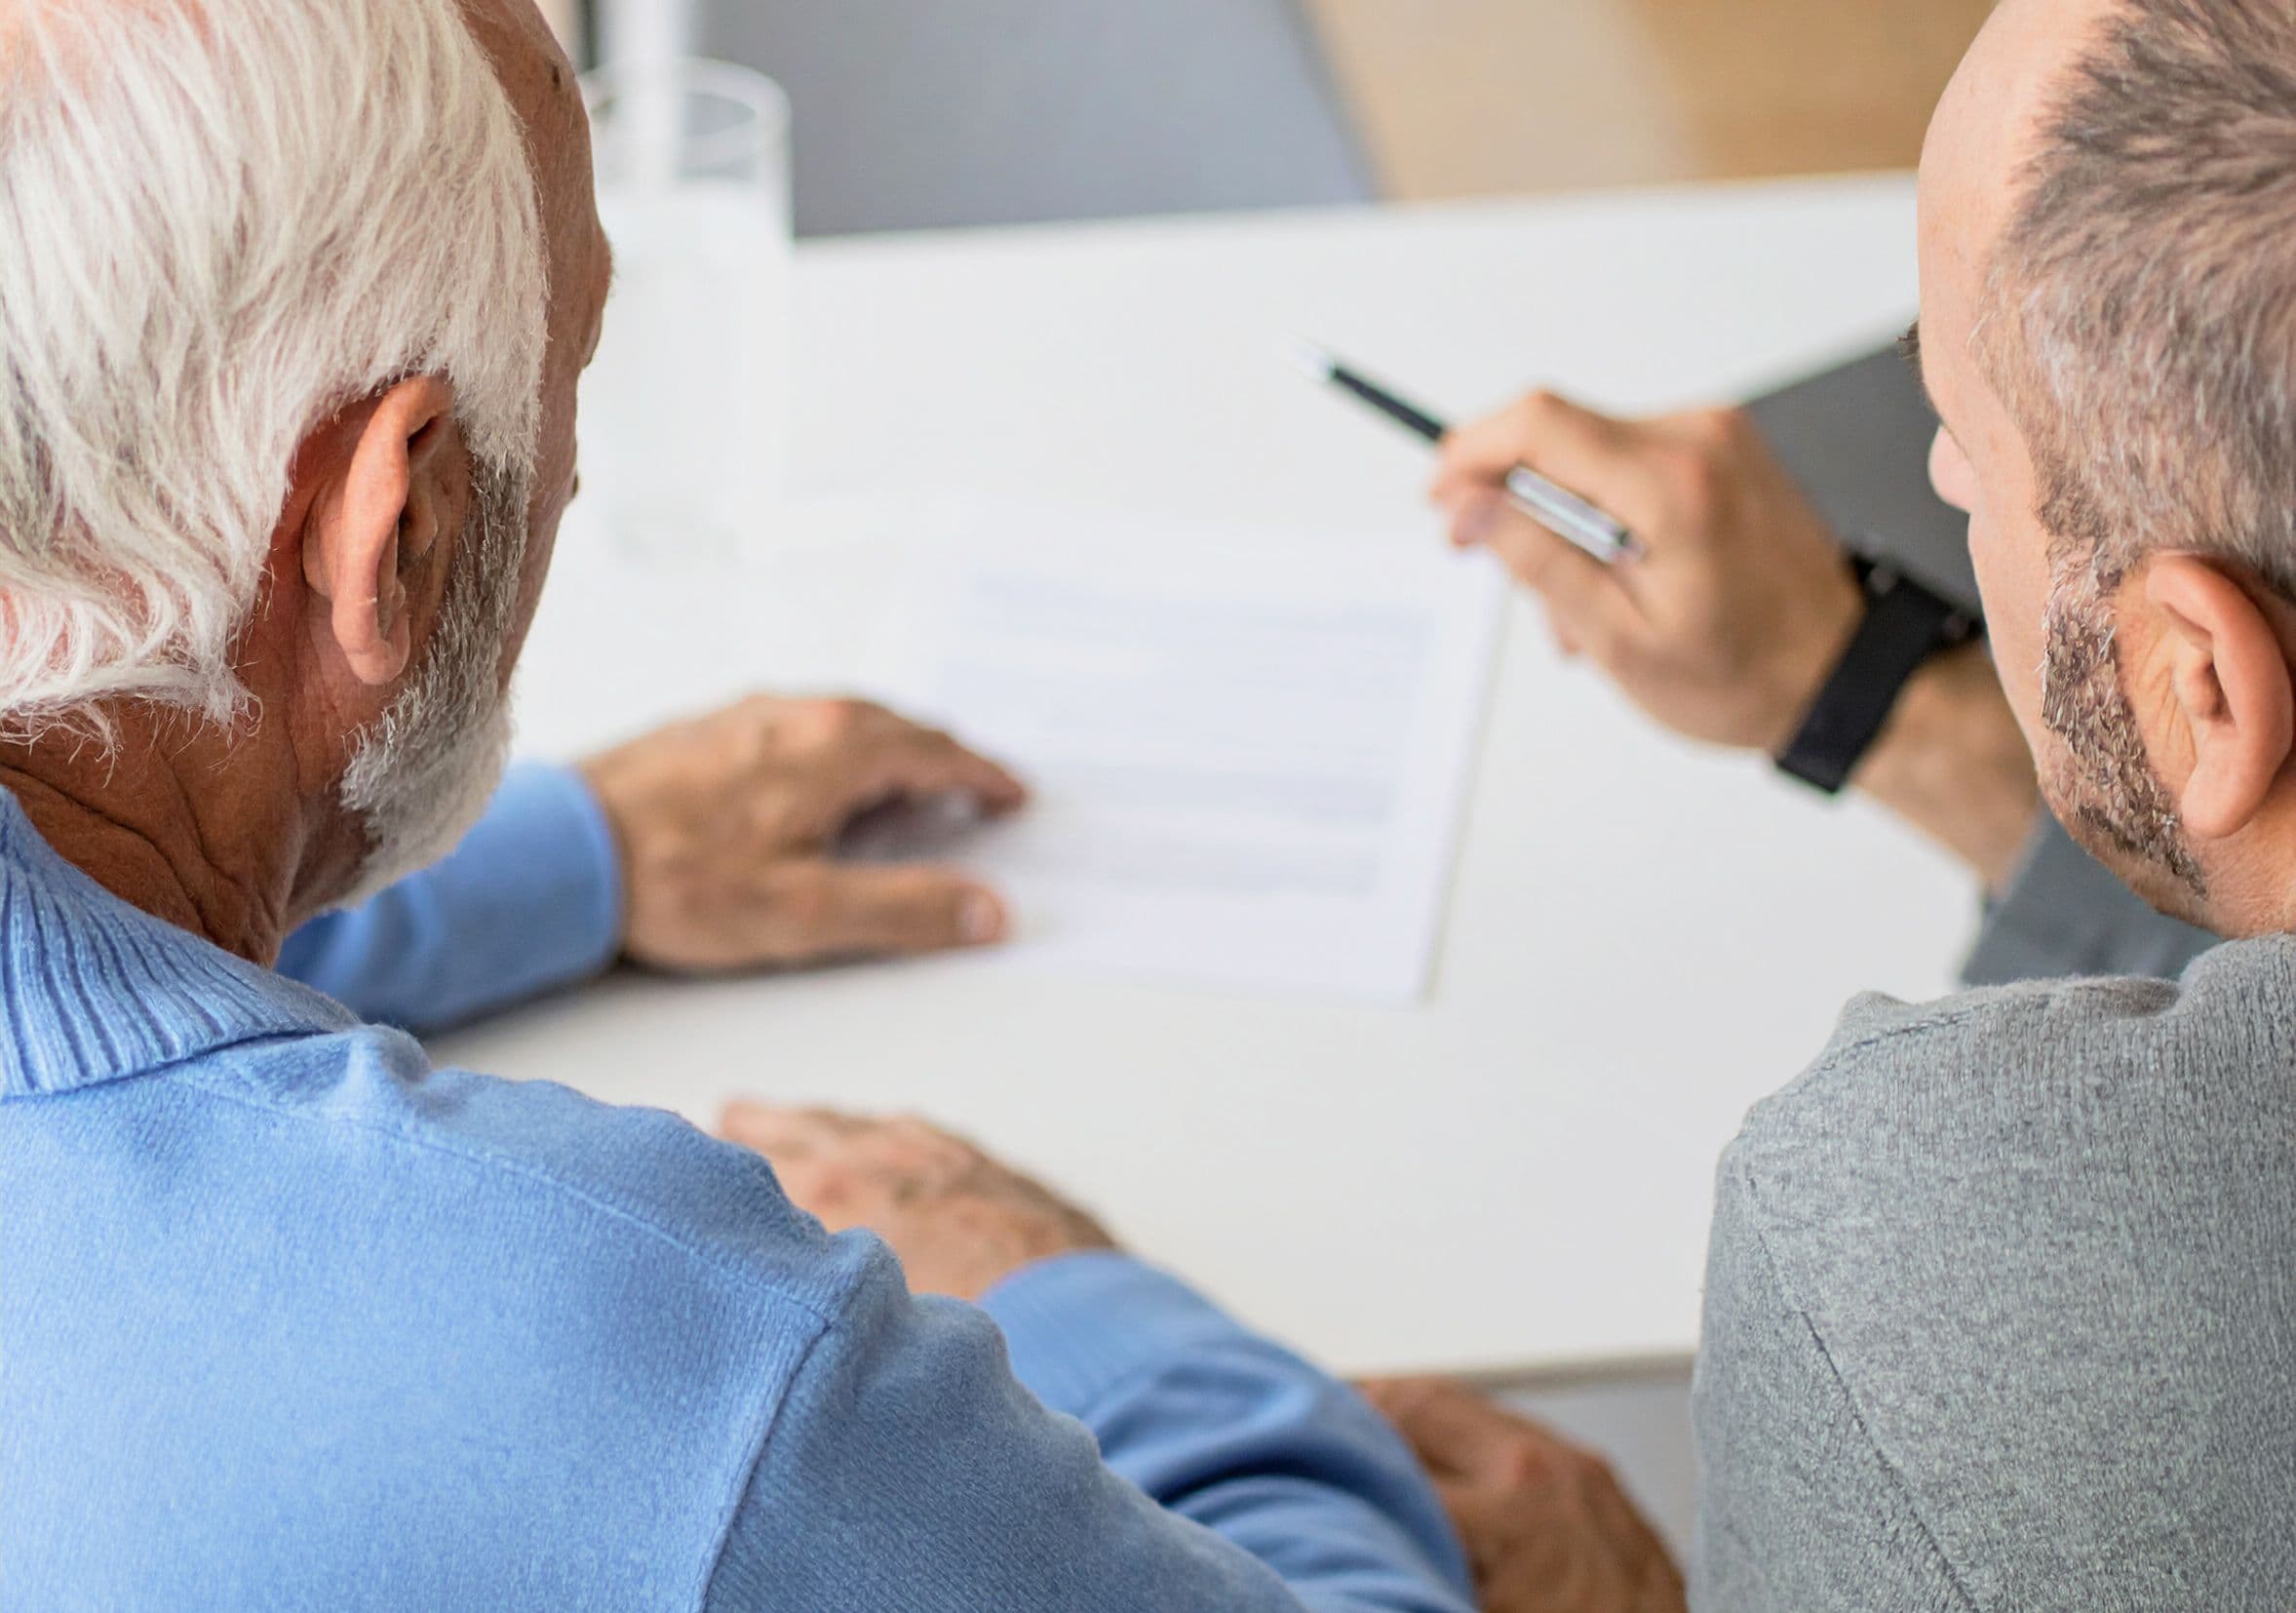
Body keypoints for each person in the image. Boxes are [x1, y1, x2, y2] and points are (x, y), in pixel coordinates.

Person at [0, 3, 1477, 1607]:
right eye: (580, 363)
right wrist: (1104, 1318)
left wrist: (601, 855)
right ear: (402, 522)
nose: (564, 473)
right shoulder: (643, 1361)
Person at [1368, 0, 2296, 1606]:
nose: (1941, 486)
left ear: (2201, 677)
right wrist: (1855, 686)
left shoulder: (1944, 1253)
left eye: (1968, 439)